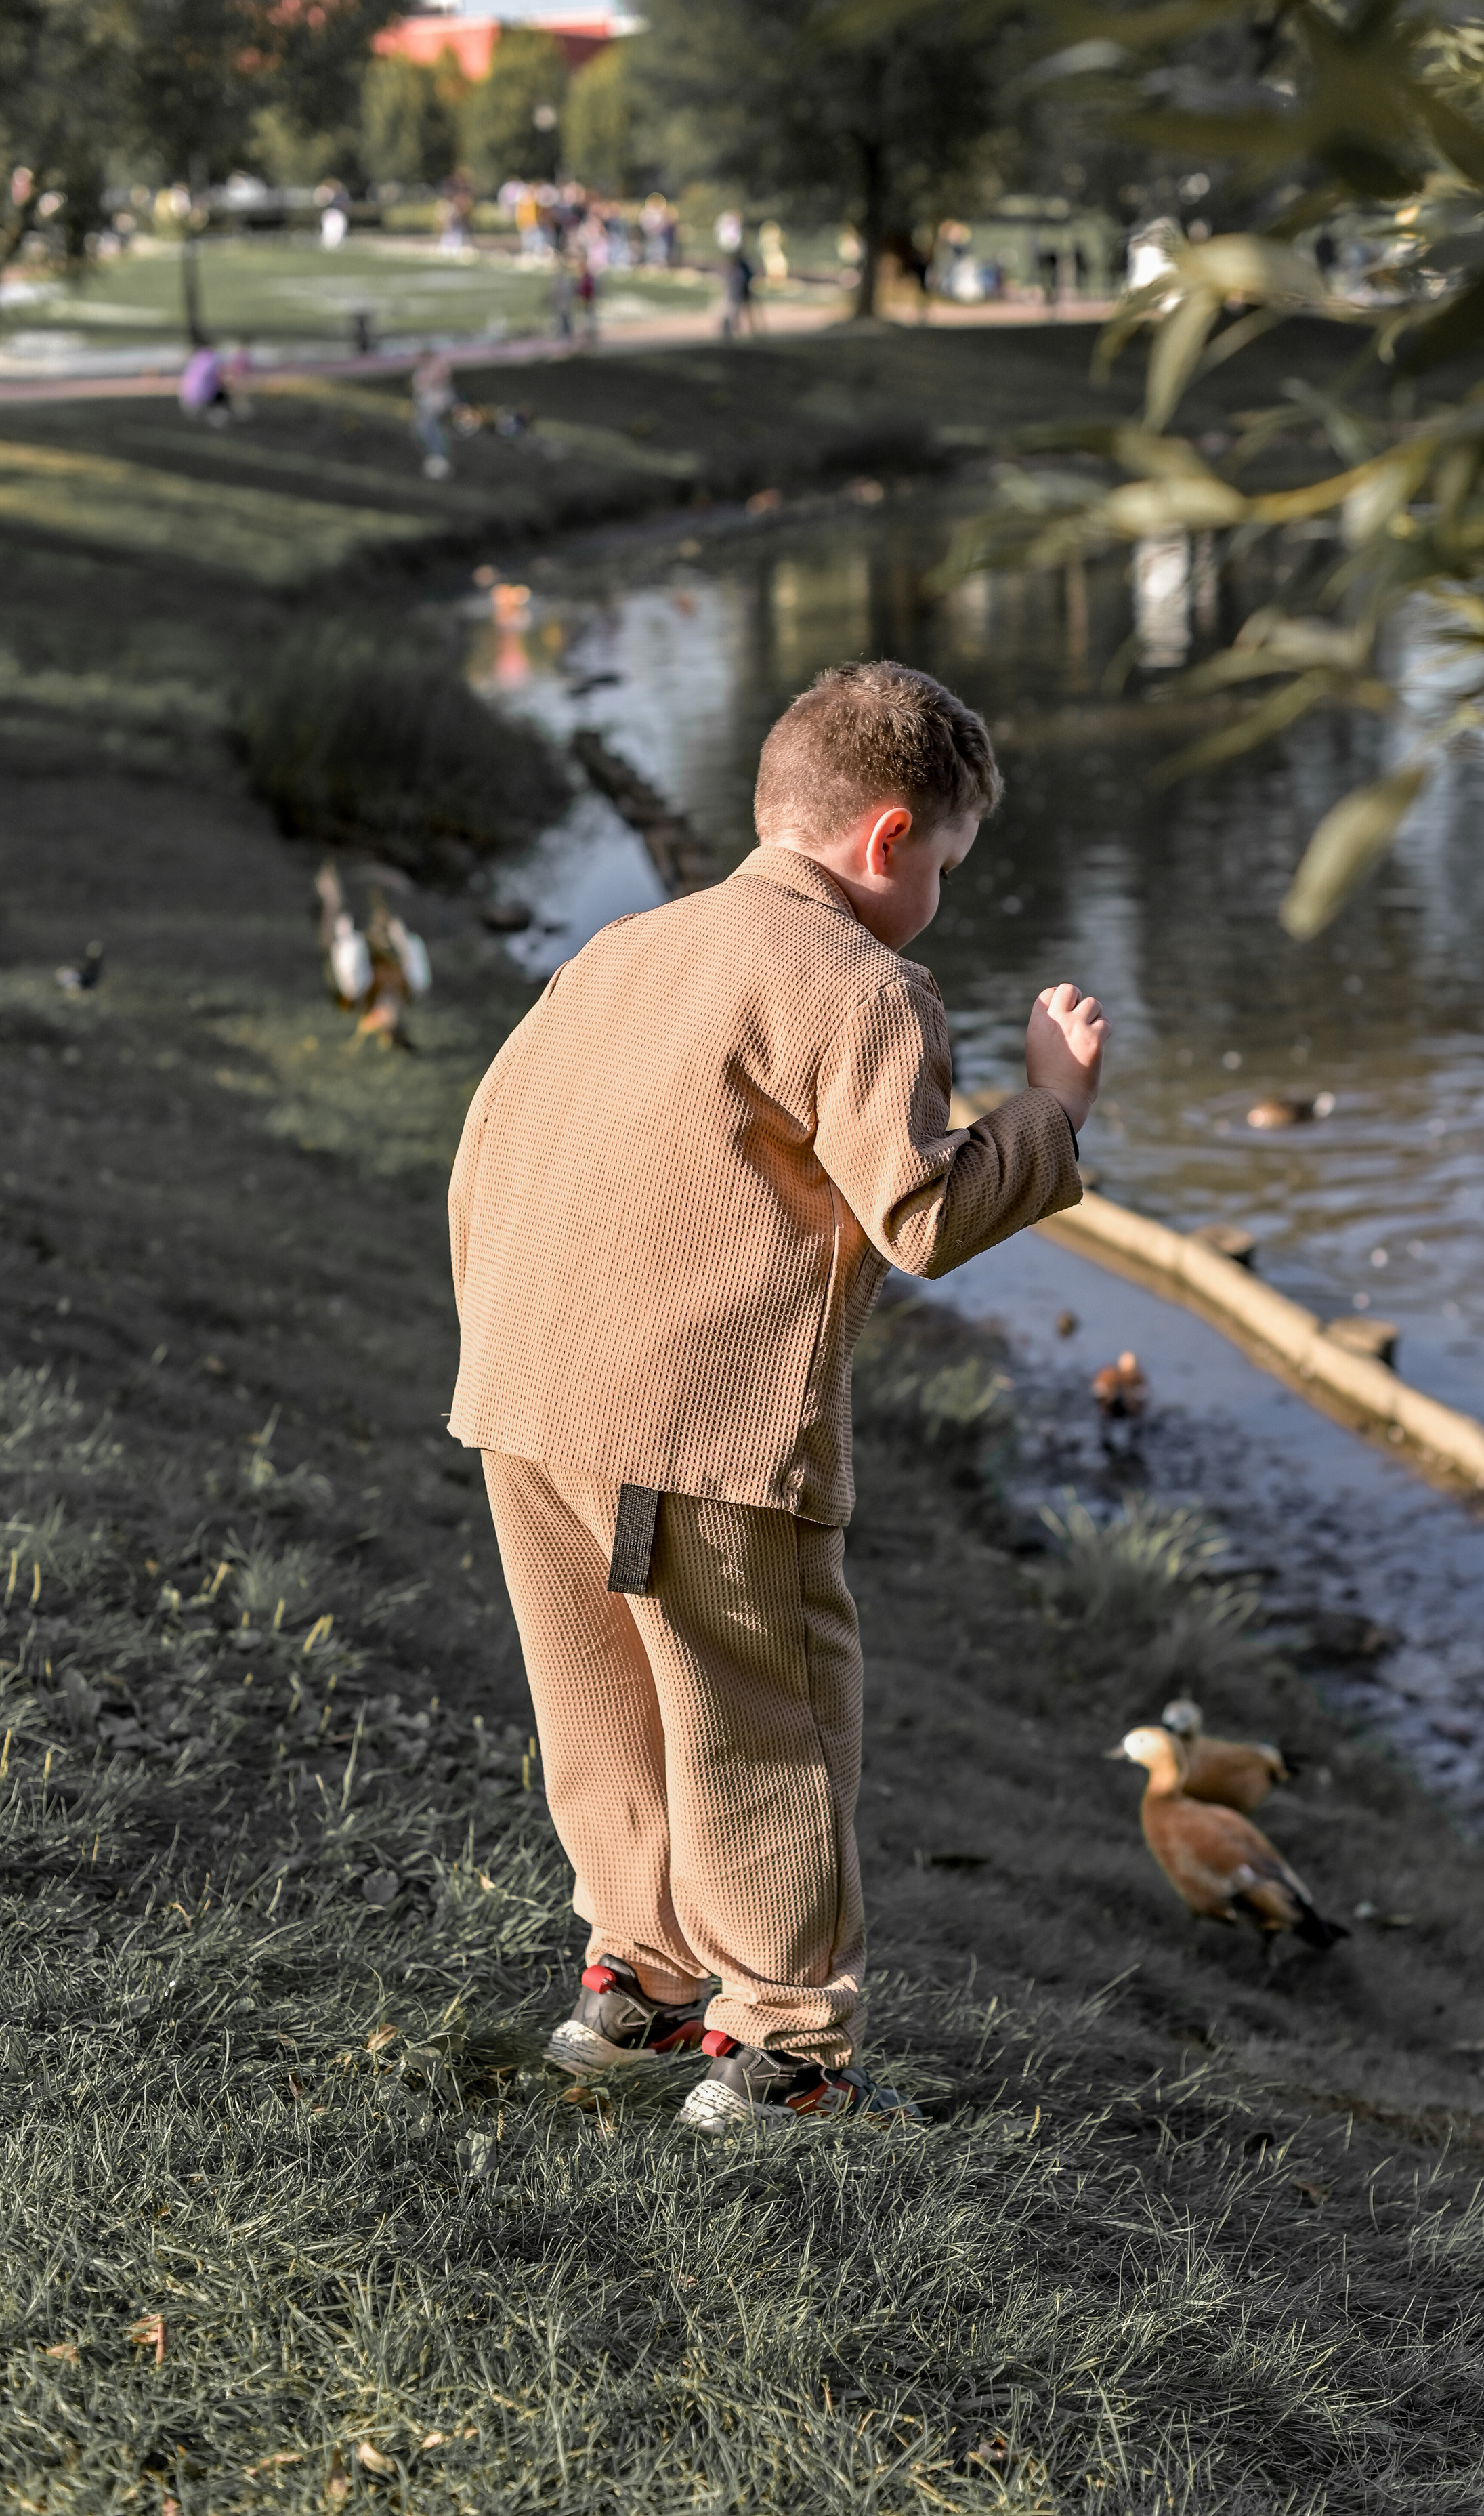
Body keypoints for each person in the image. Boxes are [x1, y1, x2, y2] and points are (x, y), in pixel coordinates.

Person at [446, 662, 1109, 2132]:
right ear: (885, 842)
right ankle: (782, 2057)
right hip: (703, 1424)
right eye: (942, 864)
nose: (935, 890)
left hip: (521, 1389)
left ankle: (638, 1985)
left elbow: (485, 1148)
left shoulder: (623, 947)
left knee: (602, 1709)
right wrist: (1049, 1111)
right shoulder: (866, 988)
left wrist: (500, 1340)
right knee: (765, 1724)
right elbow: (919, 1216)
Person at [411, 348, 456, 480]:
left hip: (438, 402)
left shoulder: (438, 365)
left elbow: (440, 380)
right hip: (428, 404)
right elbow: (421, 389)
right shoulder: (420, 372)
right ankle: (437, 454)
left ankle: (437, 455)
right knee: (425, 429)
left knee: (428, 427)